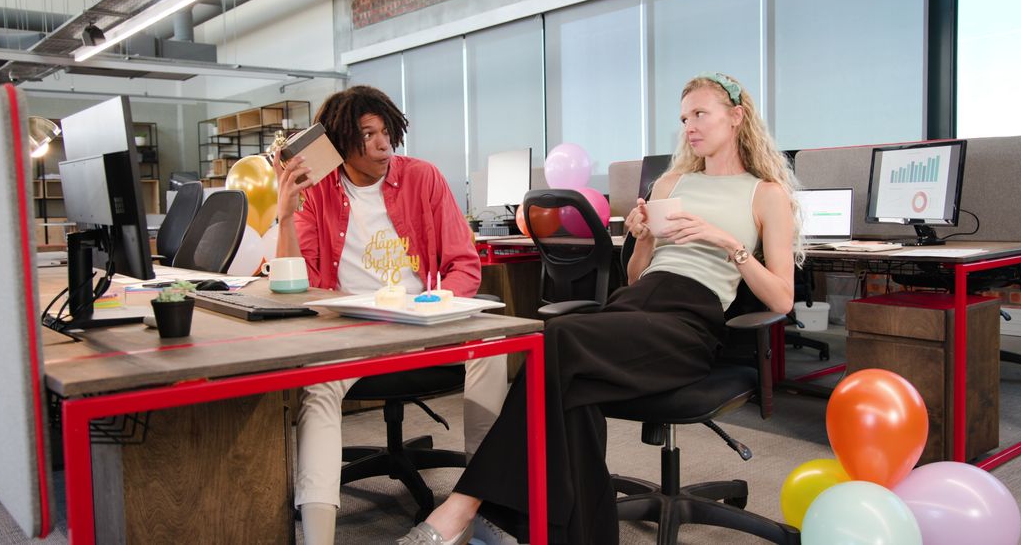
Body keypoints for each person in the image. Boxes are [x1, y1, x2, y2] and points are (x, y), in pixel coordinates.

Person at [399, 73, 803, 545]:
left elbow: (781, 297)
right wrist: (645, 239)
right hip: (635, 303)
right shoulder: (672, 183)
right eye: (684, 118)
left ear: (735, 118)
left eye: (700, 115)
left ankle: (464, 506)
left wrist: (728, 243)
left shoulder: (765, 194)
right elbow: (635, 275)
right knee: (569, 385)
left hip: (690, 321)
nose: (689, 127)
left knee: (556, 339)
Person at [275, 85, 509, 545]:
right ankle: (317, 537)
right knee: (317, 385)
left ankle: (479, 504)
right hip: (350, 333)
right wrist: (285, 216)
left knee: (493, 348)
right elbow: (295, 286)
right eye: (367, 135)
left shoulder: (422, 177)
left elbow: (464, 265)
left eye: (387, 132)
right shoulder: (319, 192)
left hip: (424, 323)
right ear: (340, 142)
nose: (384, 145)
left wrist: (436, 306)